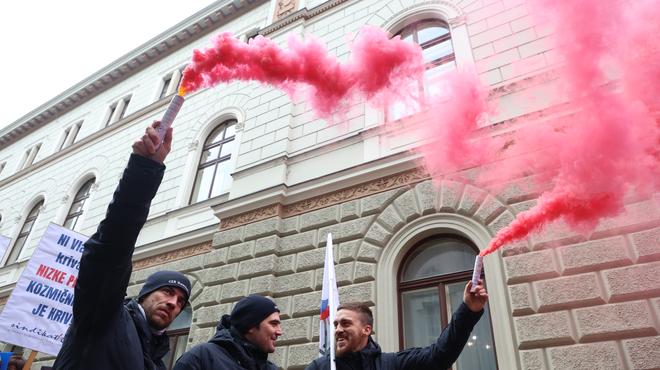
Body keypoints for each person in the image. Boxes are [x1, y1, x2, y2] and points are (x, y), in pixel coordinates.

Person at [53, 121, 192, 370]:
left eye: (181, 302)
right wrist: (144, 170)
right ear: (145, 294)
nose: (174, 304)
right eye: (168, 292)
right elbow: (111, 248)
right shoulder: (106, 317)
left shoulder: (156, 358)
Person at [306, 280, 489, 370]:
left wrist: (468, 310)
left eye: (345, 324)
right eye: (336, 324)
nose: (338, 330)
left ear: (366, 330)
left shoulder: (392, 364)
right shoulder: (319, 367)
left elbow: (439, 356)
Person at [173, 294, 282, 370]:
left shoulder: (271, 368)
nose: (279, 332)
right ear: (250, 326)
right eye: (273, 324)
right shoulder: (200, 358)